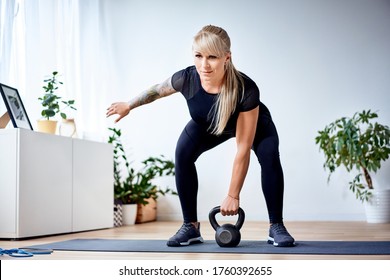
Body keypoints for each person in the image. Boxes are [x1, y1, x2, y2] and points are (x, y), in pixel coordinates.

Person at [106, 25, 295, 247]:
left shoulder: (246, 89)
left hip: (254, 124)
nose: (204, 65)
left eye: (212, 57)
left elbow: (243, 148)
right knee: (183, 153)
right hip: (209, 124)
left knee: (269, 154)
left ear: (227, 57)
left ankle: (276, 226)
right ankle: (190, 227)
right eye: (198, 56)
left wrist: (233, 195)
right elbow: (157, 90)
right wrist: (128, 105)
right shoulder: (186, 78)